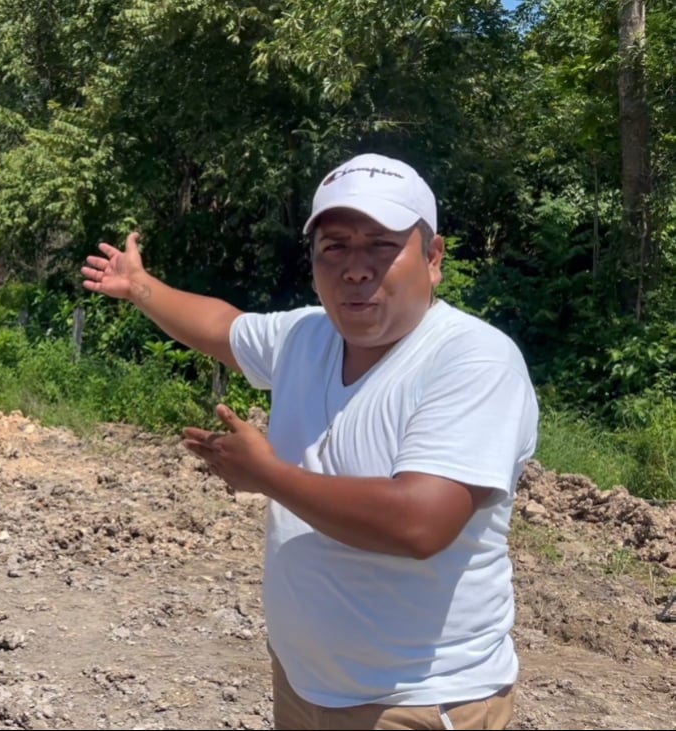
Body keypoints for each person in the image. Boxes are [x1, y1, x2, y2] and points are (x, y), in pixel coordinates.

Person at [81, 153, 539, 730]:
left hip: (416, 698)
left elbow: (420, 523)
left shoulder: (472, 359)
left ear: (433, 257)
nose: (354, 268)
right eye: (335, 246)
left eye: (381, 245)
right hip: (305, 685)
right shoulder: (307, 336)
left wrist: (268, 475)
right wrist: (142, 288)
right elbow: (223, 327)